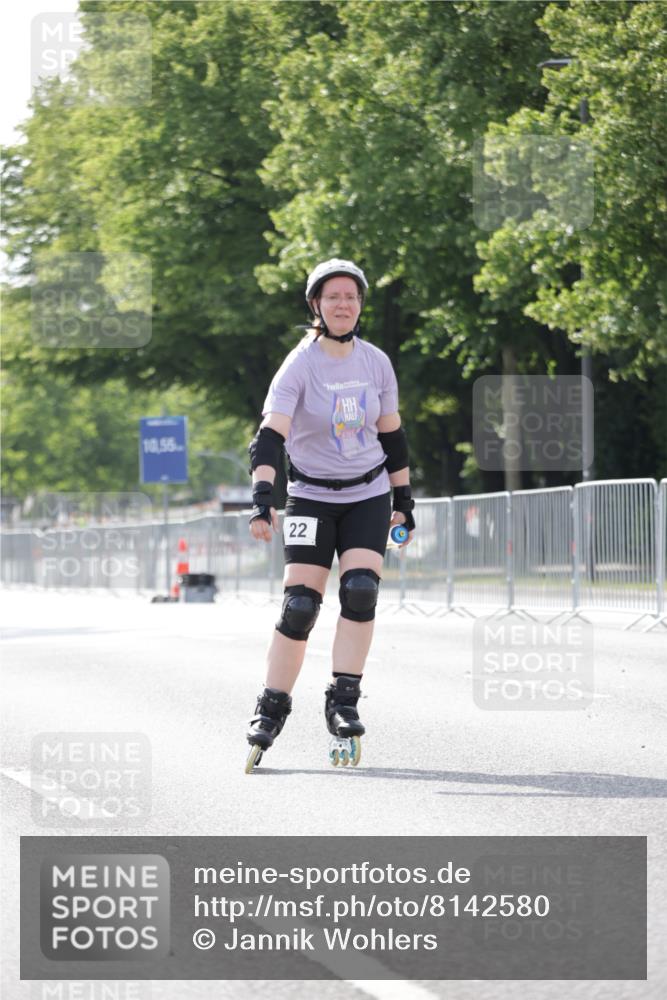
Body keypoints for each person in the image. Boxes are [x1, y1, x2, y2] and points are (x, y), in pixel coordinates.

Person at [245, 258, 415, 772]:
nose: (344, 305)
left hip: (367, 493)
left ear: (361, 305)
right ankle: (271, 706)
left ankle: (343, 701)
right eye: (334, 297)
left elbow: (391, 435)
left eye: (353, 297)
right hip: (312, 497)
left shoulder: (376, 362)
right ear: (316, 304)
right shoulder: (299, 366)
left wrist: (404, 500)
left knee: (361, 591)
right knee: (300, 606)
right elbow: (270, 437)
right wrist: (262, 499)